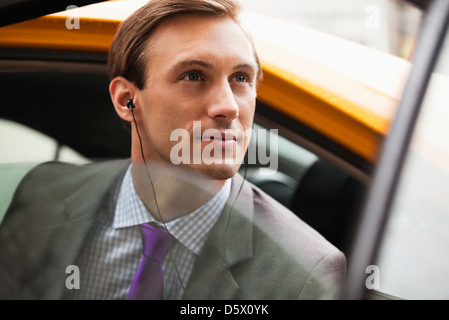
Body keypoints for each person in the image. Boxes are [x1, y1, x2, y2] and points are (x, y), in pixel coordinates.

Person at [0, 0, 346, 300]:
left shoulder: (304, 271)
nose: (229, 107)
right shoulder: (42, 191)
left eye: (240, 78)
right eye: (194, 76)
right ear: (126, 100)